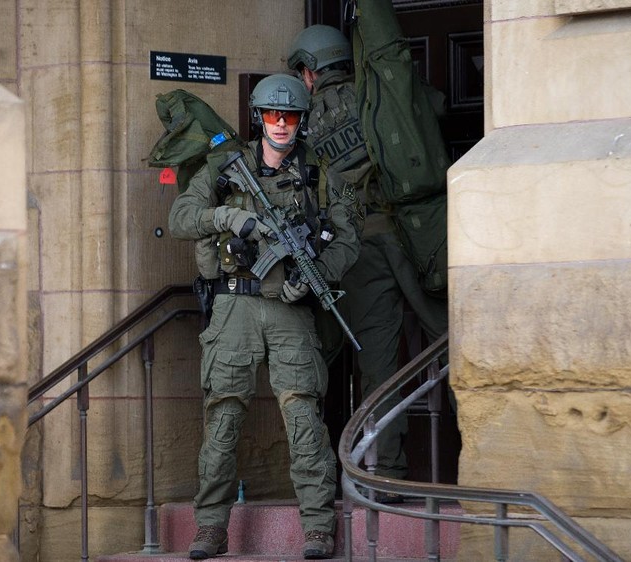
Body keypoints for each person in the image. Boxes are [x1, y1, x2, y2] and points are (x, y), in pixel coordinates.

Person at [168, 73, 362, 560]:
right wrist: (226, 217)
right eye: (273, 115)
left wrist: (316, 270)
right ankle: (210, 527)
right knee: (223, 419)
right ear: (259, 118)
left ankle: (318, 527)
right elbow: (180, 219)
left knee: (303, 418)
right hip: (233, 306)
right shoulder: (222, 167)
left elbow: (349, 240)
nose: (281, 124)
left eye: (290, 116)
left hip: (289, 310)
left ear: (301, 120)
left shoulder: (319, 173)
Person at [287, 21, 449, 500]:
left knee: (377, 366)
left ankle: (390, 476)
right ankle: (490, 454)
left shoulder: (304, 121)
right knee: (462, 345)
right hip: (419, 235)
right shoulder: (377, 93)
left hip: (359, 249)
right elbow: (432, 109)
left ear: (311, 71)